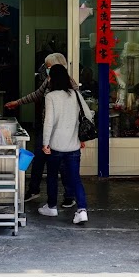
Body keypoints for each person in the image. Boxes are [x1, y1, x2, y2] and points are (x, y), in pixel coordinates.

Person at [5, 52, 76, 207]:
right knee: (39, 158)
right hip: (46, 127)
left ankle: (69, 195)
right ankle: (34, 189)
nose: (47, 69)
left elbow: (77, 110)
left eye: (49, 67)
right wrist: (17, 103)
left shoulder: (71, 85)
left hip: (63, 131)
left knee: (63, 165)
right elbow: (37, 95)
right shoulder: (48, 81)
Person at [38, 64, 89, 224]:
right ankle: (82, 210)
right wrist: (81, 138)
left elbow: (48, 122)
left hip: (55, 145)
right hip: (73, 145)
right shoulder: (75, 94)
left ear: (51, 78)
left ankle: (52, 207)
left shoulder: (51, 97)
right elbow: (88, 114)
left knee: (52, 176)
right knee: (75, 178)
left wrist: (45, 143)